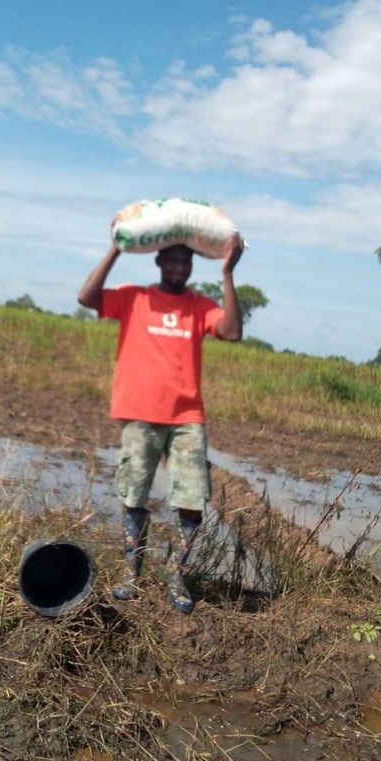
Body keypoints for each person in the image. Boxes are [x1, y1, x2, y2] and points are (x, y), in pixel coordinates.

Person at [77, 233, 244, 613]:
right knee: (134, 493)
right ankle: (130, 574)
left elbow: (232, 331)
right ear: (158, 262)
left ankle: (175, 572)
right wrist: (116, 248)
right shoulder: (134, 297)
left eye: (185, 262)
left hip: (187, 418)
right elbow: (87, 298)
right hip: (139, 413)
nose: (179, 268)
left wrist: (227, 273)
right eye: (172, 261)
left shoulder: (200, 306)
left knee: (192, 500)